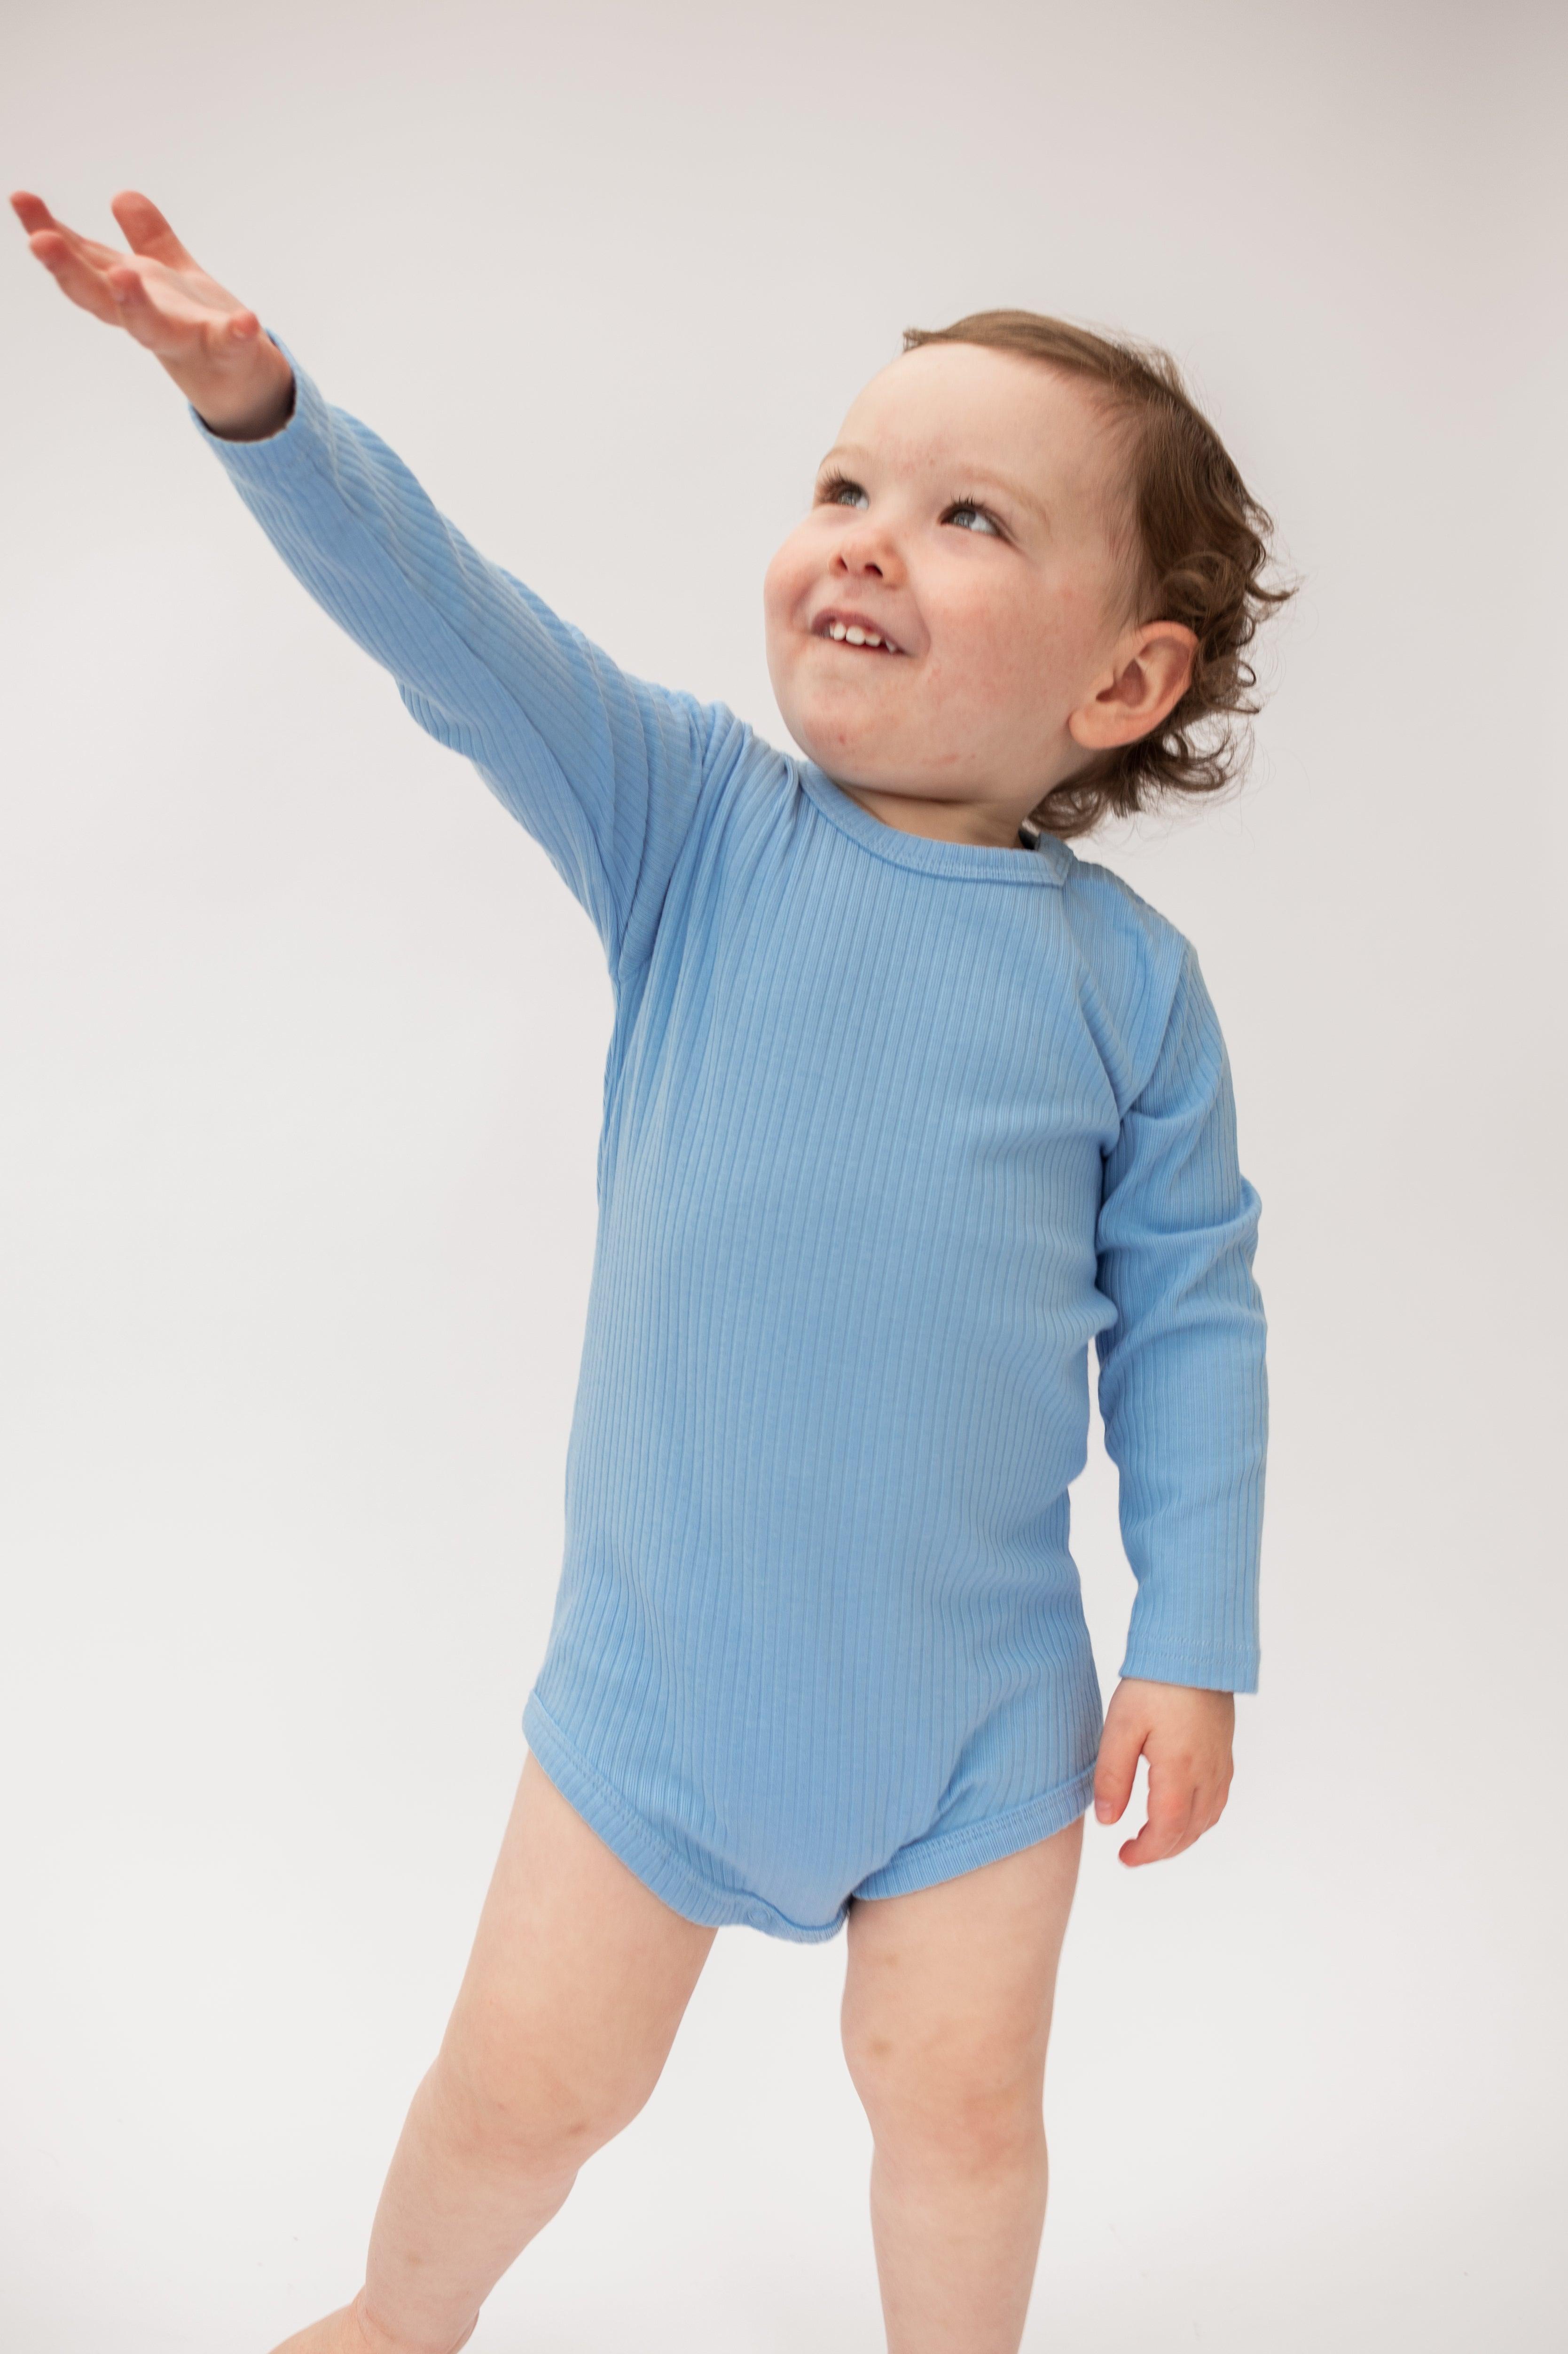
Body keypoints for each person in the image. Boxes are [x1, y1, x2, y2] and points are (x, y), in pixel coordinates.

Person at [12, 185, 1286, 2354]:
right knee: (525, 2093)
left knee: (962, 2116)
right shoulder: (691, 824)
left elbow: (1192, 1322)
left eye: (967, 514)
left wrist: (1196, 1634)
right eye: (844, 485)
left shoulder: (1129, 990)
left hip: (981, 1724)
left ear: (1126, 676)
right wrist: (264, 408)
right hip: (657, 1703)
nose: (868, 536)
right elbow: (457, 627)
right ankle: (397, 2323)